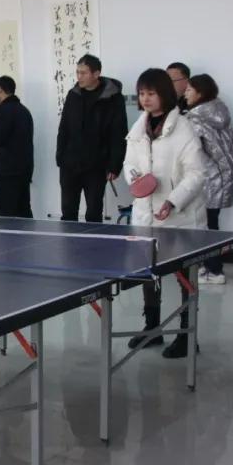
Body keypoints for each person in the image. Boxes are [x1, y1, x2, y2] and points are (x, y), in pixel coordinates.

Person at [123, 68, 207, 359]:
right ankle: (152, 328)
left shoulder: (184, 129)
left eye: (151, 93)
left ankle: (187, 335)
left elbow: (197, 173)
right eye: (141, 93)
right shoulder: (138, 128)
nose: (145, 99)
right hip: (145, 215)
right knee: (149, 274)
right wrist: (135, 179)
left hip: (180, 217)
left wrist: (172, 201)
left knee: (185, 276)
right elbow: (129, 164)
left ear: (165, 94)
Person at [56, 54, 127, 223]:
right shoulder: (73, 95)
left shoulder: (113, 98)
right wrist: (60, 157)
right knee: (68, 211)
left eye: (83, 73)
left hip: (97, 164)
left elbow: (119, 132)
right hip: (70, 164)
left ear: (96, 74)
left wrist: (115, 165)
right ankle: (68, 240)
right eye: (77, 72)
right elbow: (64, 128)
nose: (79, 77)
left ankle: (93, 241)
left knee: (94, 212)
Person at [183, 74, 233, 285]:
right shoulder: (218, 110)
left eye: (189, 89)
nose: (185, 93)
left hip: (210, 176)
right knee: (211, 223)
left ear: (200, 93)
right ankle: (209, 266)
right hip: (224, 174)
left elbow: (195, 151)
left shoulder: (195, 118)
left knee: (208, 226)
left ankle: (214, 270)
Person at [0, 75, 34, 218]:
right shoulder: (25, 111)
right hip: (25, 170)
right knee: (24, 211)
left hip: (8, 172)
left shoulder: (2, 110)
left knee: (7, 214)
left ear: (0, 90)